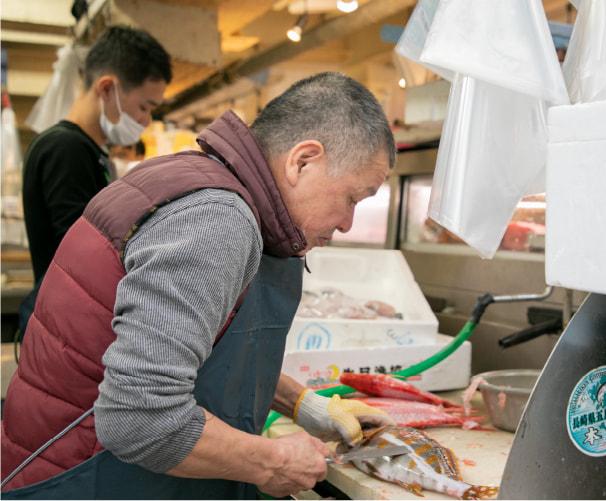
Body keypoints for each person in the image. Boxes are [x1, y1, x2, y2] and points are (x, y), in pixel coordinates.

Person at [1, 72, 397, 499]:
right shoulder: (216, 219)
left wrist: (306, 405)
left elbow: (193, 345)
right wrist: (273, 461)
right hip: (78, 482)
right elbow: (139, 417)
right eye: (352, 198)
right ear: (302, 161)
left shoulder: (199, 183)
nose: (347, 223)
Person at [18, 25, 171, 338]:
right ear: (106, 89)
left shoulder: (92, 152)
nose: (146, 121)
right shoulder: (65, 149)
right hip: (62, 327)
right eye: (144, 107)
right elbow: (80, 252)